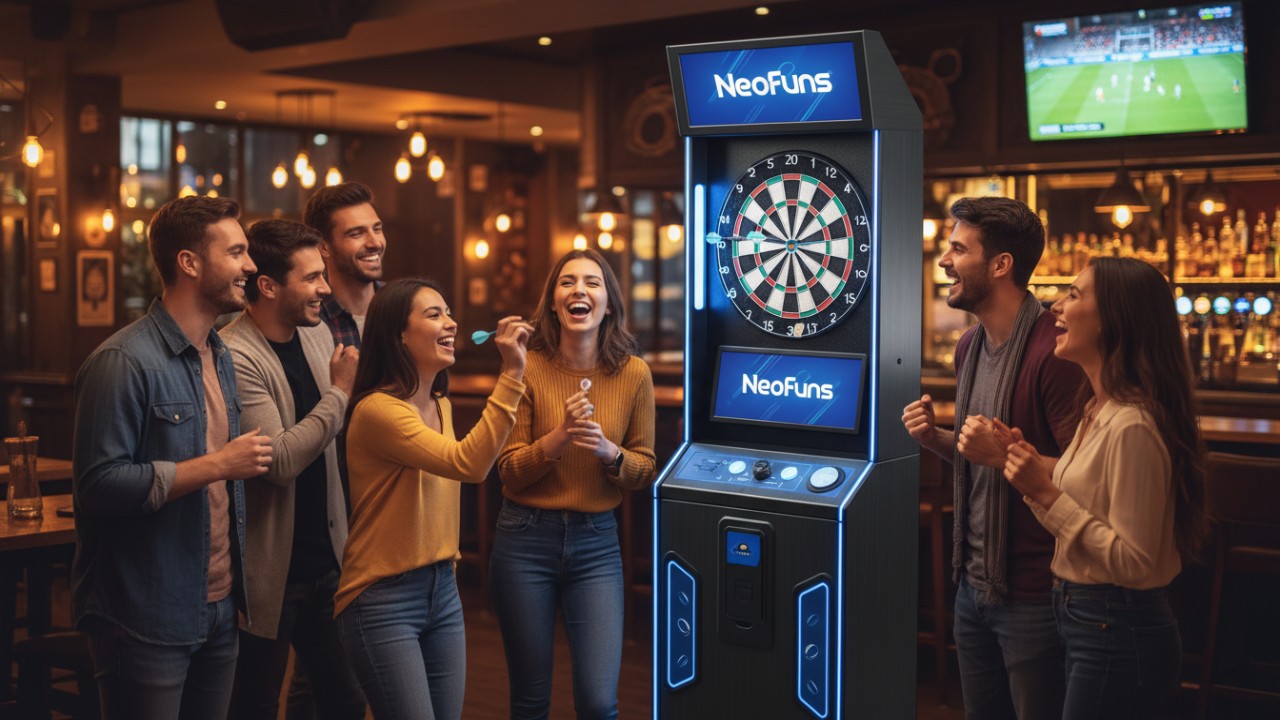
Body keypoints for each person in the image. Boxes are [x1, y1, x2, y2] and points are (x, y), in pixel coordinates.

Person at [71, 196, 273, 720]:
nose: (250, 266)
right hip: (145, 615)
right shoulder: (122, 361)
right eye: (236, 252)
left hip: (220, 607)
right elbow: (97, 487)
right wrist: (219, 464)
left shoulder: (220, 354)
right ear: (189, 263)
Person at [901, 196, 1083, 720]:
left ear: (1001, 264)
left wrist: (1002, 453)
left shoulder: (1055, 352)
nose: (943, 260)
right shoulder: (969, 346)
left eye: (959, 249)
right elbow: (979, 459)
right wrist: (938, 439)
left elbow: (1085, 476)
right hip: (972, 580)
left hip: (1036, 591)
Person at [1002, 257, 1207, 719]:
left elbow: (1135, 562)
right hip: (1089, 618)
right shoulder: (1099, 409)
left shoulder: (1132, 423)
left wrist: (1046, 492)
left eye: (1074, 295)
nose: (1056, 306)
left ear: (1114, 319)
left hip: (1118, 624)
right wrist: (1025, 468)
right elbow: (1085, 510)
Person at [335, 278, 532, 720]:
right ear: (398, 336)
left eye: (449, 313)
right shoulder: (379, 411)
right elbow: (470, 464)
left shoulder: (440, 404)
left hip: (442, 589)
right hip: (382, 598)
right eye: (434, 314)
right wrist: (512, 374)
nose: (451, 322)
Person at [491, 248, 657, 720]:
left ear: (609, 304)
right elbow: (508, 469)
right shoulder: (526, 367)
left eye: (592, 282)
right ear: (552, 302)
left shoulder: (635, 373)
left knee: (599, 702)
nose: (578, 290)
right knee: (530, 700)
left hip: (596, 544)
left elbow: (644, 468)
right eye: (567, 282)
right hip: (524, 539)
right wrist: (560, 437)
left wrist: (610, 453)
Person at [221, 219, 366, 720]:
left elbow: (334, 436)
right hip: (269, 573)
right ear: (267, 285)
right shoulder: (234, 354)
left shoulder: (319, 333)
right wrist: (340, 393)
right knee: (255, 706)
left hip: (327, 562)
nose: (325, 288)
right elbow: (278, 461)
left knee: (346, 702)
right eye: (311, 278)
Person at [304, 181, 385, 349]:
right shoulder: (308, 320)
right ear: (323, 247)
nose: (375, 243)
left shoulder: (405, 307)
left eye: (377, 229)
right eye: (356, 234)